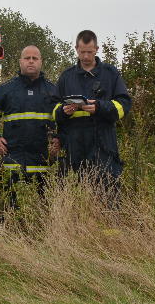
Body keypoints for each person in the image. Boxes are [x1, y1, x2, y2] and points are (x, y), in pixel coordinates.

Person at [53, 30, 131, 205]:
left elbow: (123, 105)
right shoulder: (67, 77)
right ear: (76, 49)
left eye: (89, 51)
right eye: (82, 52)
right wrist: (63, 111)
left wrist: (99, 107)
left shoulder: (110, 74)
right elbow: (53, 107)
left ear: (97, 49)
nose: (86, 56)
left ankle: (109, 230)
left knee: (108, 196)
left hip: (103, 144)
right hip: (74, 146)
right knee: (76, 198)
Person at [0, 45, 59, 208]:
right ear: (20, 62)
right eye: (27, 58)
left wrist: (59, 141)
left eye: (35, 58)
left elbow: (66, 121)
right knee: (7, 208)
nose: (31, 61)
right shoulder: (6, 89)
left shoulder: (54, 91)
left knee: (42, 211)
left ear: (41, 62)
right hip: (13, 160)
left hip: (43, 163)